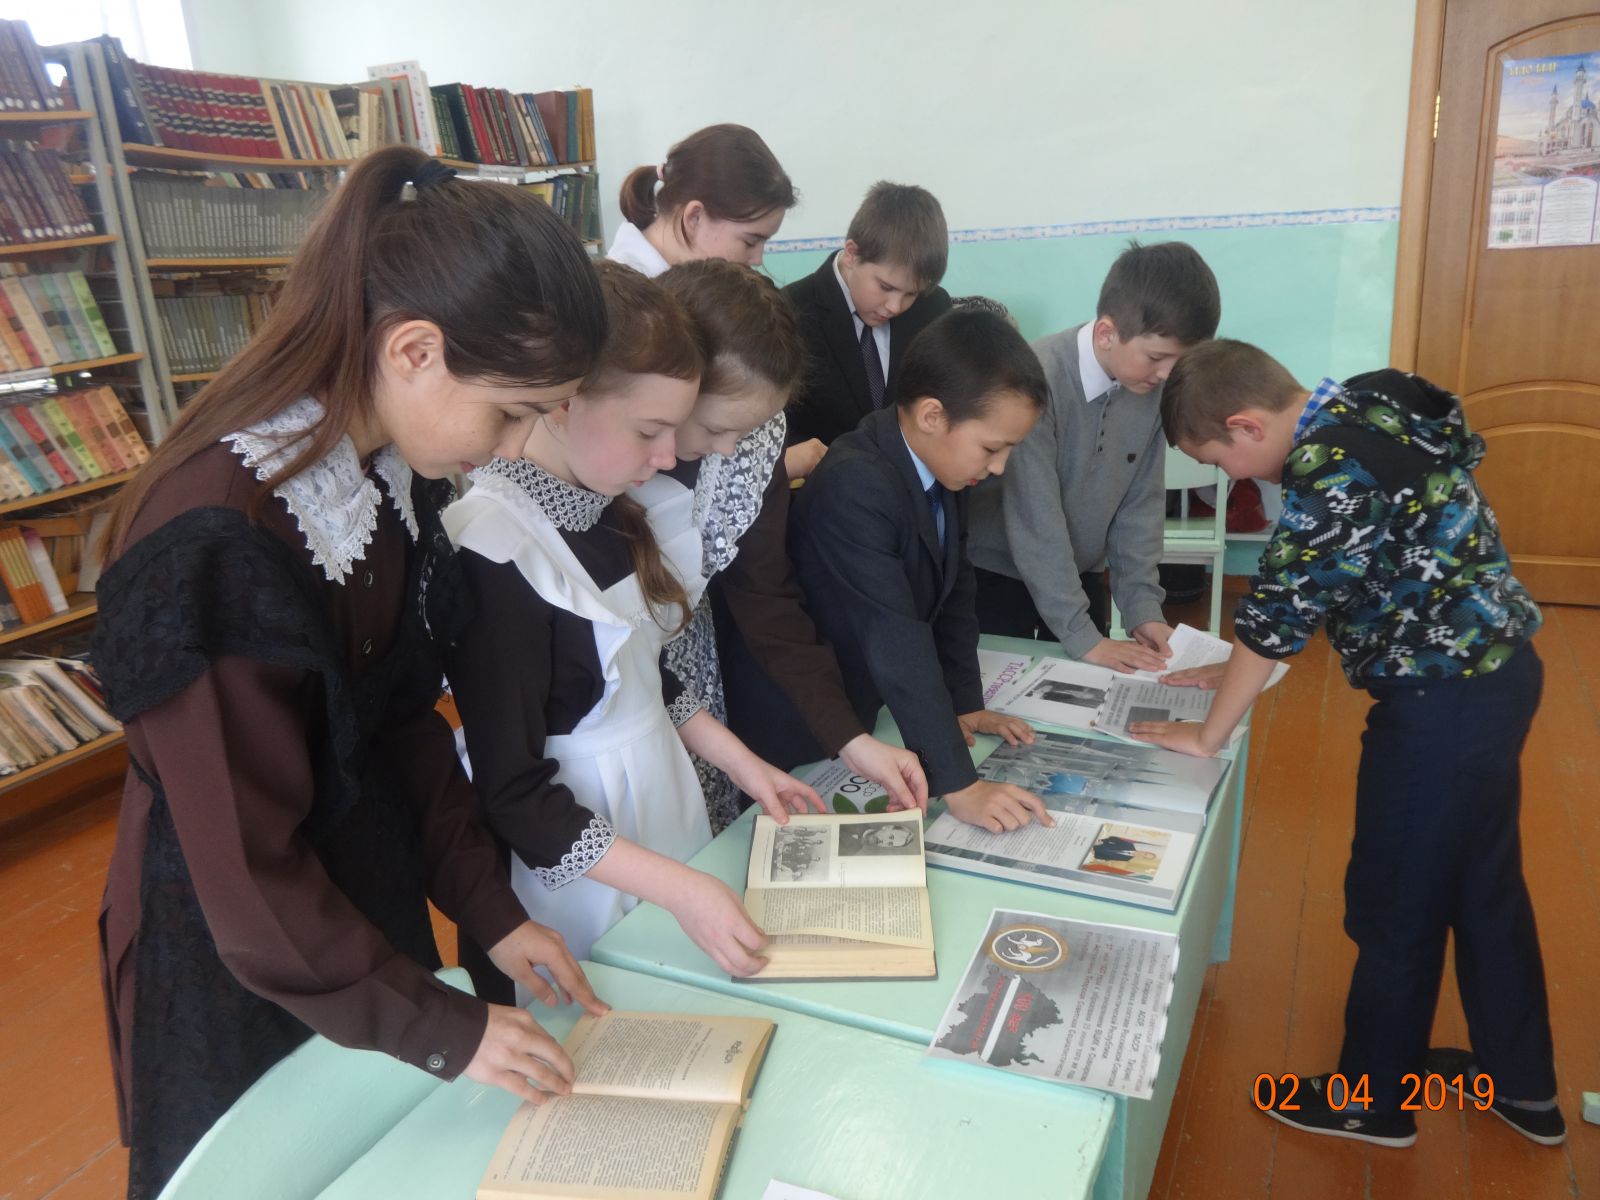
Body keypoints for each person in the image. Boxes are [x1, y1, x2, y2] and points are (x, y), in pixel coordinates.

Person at [90, 148, 609, 1199]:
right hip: (243, 945)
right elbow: (248, 870)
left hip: (360, 911)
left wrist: (491, 910)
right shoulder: (213, 535)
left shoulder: (385, 475)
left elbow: (403, 721)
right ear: (413, 350)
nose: (515, 447)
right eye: (512, 410)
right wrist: (441, 1026)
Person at [1133, 339, 1562, 1148]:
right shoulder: (1371, 405)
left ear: (1247, 425)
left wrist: (1210, 731)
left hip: (1438, 703)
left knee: (1394, 901)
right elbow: (1342, 575)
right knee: (1483, 887)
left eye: (1219, 461)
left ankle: (1372, 1101)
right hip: (1496, 676)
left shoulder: (1333, 466)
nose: (1232, 477)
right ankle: (1522, 1086)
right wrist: (1236, 665)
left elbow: (1280, 608)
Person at [444, 262, 818, 978]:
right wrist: (678, 889)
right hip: (577, 869)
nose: (669, 456)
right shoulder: (492, 547)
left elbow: (651, 678)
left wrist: (747, 767)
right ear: (563, 402)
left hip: (658, 813)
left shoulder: (609, 507)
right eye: (650, 430)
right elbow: (513, 793)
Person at [637, 260, 929, 832]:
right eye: (715, 428)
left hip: (691, 684)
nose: (730, 450)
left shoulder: (750, 439)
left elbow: (767, 599)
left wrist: (848, 738)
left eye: (748, 432)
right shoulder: (608, 461)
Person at [782, 307, 1057, 833]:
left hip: (869, 704)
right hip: (806, 720)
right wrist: (960, 784)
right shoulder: (857, 484)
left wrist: (964, 702)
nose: (999, 466)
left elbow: (955, 591)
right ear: (932, 415)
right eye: (992, 448)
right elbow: (895, 636)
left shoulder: (941, 465)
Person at [968, 240, 1221, 673]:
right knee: (999, 699)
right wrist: (1082, 635)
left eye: (1179, 362)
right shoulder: (1035, 377)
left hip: (1080, 578)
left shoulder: (1148, 387)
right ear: (1107, 333)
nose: (1166, 375)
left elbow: (1139, 504)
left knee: (1088, 689)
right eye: (1157, 357)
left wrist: (1142, 608)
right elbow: (1035, 519)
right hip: (998, 578)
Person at [608, 123, 825, 482]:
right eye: (751, 240)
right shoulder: (629, 307)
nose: (758, 258)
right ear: (694, 217)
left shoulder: (700, 290)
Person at [783, 181, 953, 448]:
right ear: (852, 254)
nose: (895, 306)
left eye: (911, 293)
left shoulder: (933, 307)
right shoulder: (791, 311)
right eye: (886, 287)